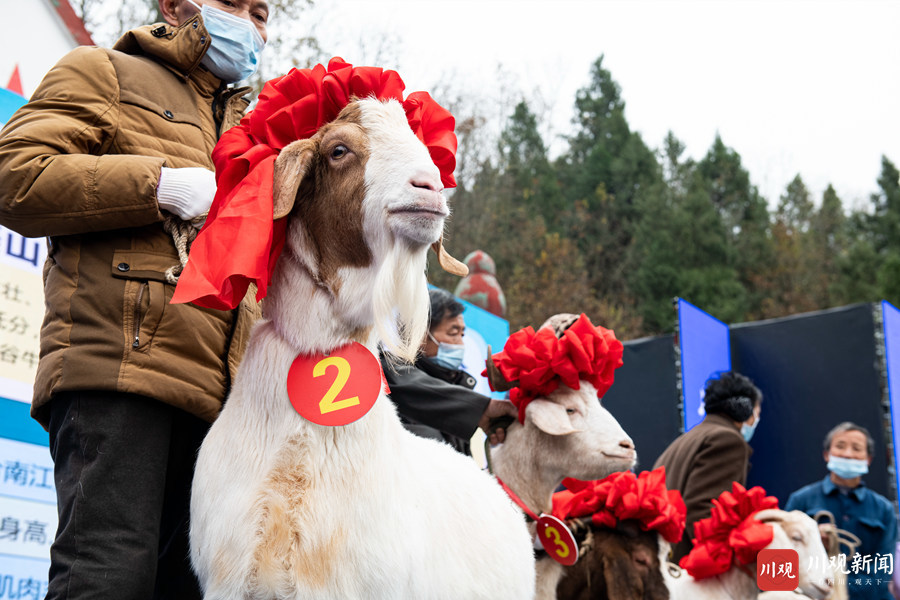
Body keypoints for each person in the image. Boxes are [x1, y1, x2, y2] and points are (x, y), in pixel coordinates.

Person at [0, 1, 268, 598]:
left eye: (261, 12)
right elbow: (14, 175)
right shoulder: (105, 70)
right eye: (232, 4)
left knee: (188, 586)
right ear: (172, 5)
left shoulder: (250, 131)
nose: (250, 23)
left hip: (220, 407)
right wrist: (160, 184)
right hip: (120, 369)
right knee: (107, 575)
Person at [381, 288, 517, 455]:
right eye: (453, 333)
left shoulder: (457, 390)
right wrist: (482, 409)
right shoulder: (385, 377)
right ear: (419, 334)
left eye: (462, 334)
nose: (460, 343)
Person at [652, 370, 763, 561]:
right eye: (756, 414)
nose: (755, 421)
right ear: (744, 410)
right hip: (690, 565)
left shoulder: (687, 439)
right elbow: (704, 511)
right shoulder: (727, 440)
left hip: (666, 560)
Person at [786, 422, 898, 600]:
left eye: (856, 448)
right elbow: (780, 564)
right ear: (826, 454)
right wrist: (812, 538)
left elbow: (882, 574)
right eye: (840, 446)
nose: (847, 454)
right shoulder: (800, 501)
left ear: (868, 459)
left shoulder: (884, 509)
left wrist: (835, 589)